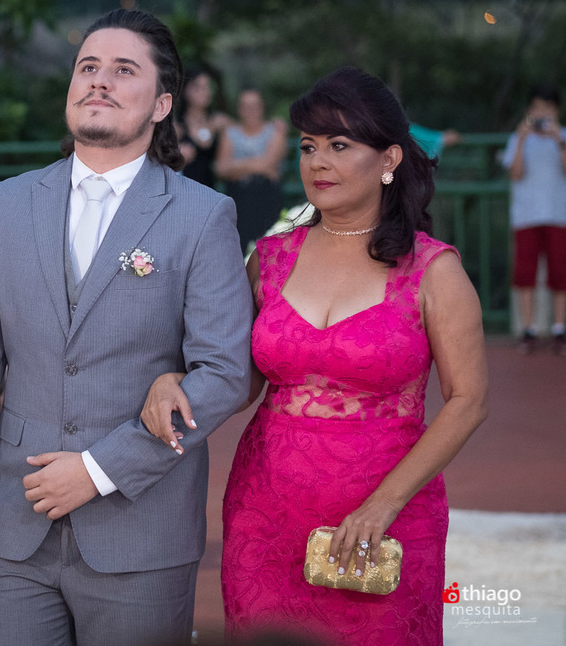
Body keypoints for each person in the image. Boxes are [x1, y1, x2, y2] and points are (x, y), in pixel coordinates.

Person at [0, 8, 254, 646]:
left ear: (161, 104)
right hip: (18, 527)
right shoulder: (10, 202)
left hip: (142, 528)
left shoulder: (202, 215)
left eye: (123, 70)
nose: (98, 81)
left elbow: (223, 373)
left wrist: (100, 469)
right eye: (87, 67)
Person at [145, 67, 488, 644]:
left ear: (389, 159)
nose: (317, 161)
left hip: (387, 517)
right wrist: (170, 379)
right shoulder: (270, 258)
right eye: (307, 147)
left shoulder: (435, 270)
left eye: (339, 145)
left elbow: (469, 401)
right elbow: (239, 381)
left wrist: (382, 506)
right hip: (266, 512)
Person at [502, 84, 566, 354]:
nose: (542, 114)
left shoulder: (563, 136)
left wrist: (557, 139)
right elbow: (515, 173)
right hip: (526, 216)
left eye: (547, 109)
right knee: (524, 273)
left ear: (556, 111)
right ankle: (527, 329)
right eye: (537, 108)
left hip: (558, 215)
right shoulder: (518, 139)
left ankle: (559, 329)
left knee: (560, 273)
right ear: (530, 111)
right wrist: (522, 139)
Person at [214, 88, 289, 252]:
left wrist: (235, 165)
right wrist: (260, 164)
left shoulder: (276, 131)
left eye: (255, 106)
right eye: (246, 106)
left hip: (267, 194)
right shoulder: (230, 133)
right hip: (238, 196)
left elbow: (268, 164)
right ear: (239, 109)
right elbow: (220, 168)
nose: (251, 111)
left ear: (262, 107)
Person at [176, 67, 233, 188]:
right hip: (184, 192)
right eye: (198, 87)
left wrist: (274, 124)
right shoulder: (176, 126)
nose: (205, 91)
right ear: (185, 90)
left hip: (212, 193)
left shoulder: (220, 121)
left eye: (208, 86)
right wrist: (176, 156)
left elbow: (248, 130)